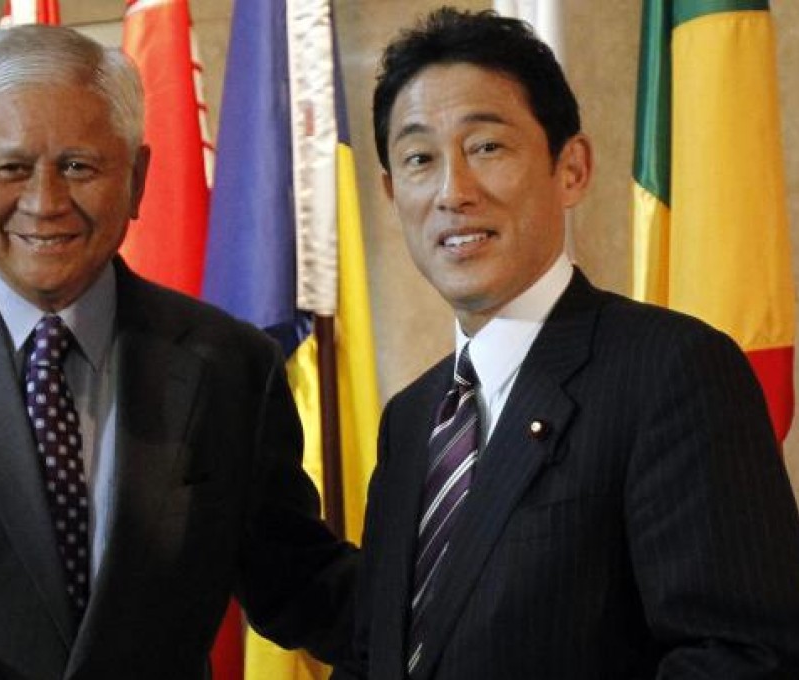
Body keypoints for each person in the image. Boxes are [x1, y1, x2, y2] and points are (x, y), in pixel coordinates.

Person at [0, 25, 355, 679]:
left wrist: (468, 614)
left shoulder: (230, 365)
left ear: (137, 179)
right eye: (12, 167)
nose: (44, 202)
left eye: (79, 166)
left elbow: (301, 582)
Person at [335, 8, 799, 679]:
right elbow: (373, 657)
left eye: (486, 147)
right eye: (418, 159)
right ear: (389, 191)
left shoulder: (672, 371)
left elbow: (742, 659)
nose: (452, 192)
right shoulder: (409, 420)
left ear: (572, 168)